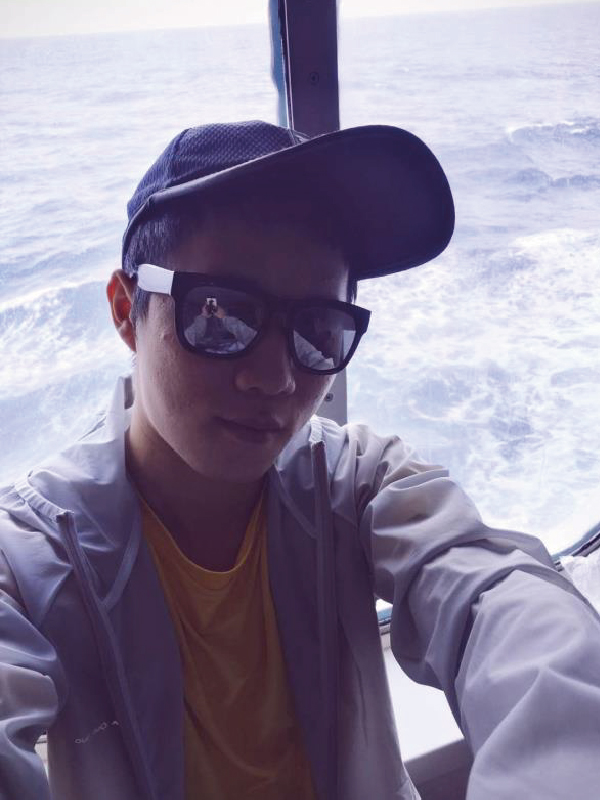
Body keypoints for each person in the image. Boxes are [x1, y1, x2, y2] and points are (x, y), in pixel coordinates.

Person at [1, 120, 600, 800]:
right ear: (123, 310)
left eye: (319, 329)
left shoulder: (358, 481)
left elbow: (495, 596)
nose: (275, 378)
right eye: (219, 315)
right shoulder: (30, 552)